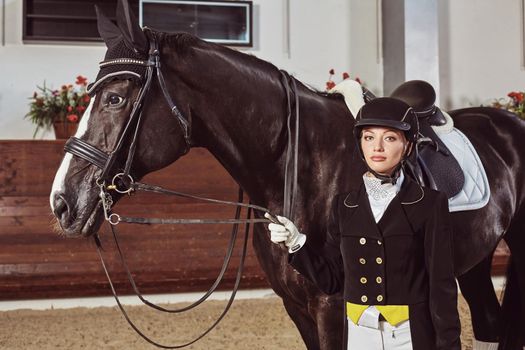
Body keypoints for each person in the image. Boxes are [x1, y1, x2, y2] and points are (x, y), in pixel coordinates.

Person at [265, 97, 461, 350]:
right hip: (358, 335)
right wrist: (296, 243)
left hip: (408, 335)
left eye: (389, 138)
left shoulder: (430, 204)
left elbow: (441, 287)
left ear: (408, 146)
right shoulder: (344, 206)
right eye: (369, 137)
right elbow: (332, 280)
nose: (377, 147)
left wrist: (449, 345)